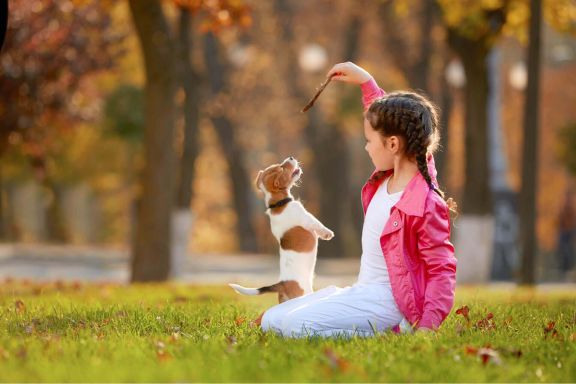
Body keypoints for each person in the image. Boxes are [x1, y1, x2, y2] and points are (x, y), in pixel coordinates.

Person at [260, 62, 457, 337]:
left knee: (294, 327)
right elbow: (390, 121)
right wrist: (367, 82)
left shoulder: (424, 201)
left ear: (392, 145)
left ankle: (394, 333)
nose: (366, 146)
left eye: (368, 140)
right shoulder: (387, 175)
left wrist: (427, 326)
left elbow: (441, 269)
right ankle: (359, 316)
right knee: (271, 320)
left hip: (389, 304)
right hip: (363, 292)